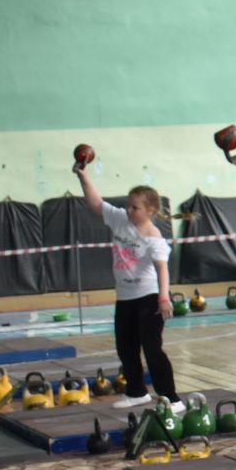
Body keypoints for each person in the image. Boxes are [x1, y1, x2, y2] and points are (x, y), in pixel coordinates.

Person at [73, 167, 175, 408]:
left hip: (150, 297)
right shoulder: (120, 219)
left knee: (152, 349)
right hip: (126, 297)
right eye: (128, 205)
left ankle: (171, 397)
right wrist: (82, 176)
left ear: (150, 211)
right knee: (126, 347)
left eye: (135, 207)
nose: (129, 210)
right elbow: (96, 204)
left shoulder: (154, 237)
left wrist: (163, 298)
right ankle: (137, 392)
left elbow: (162, 269)